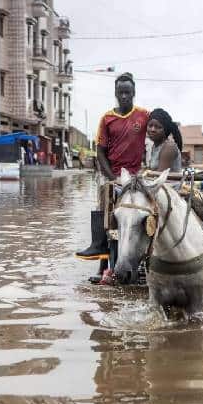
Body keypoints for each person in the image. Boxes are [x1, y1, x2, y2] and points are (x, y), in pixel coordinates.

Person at [76, 72, 150, 262]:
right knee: (105, 207)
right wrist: (111, 177)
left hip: (134, 177)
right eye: (120, 92)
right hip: (111, 174)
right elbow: (100, 151)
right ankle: (99, 249)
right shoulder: (107, 118)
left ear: (133, 93)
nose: (124, 96)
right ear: (116, 93)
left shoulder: (144, 116)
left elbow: (159, 128)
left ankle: (137, 255)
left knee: (134, 215)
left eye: (127, 92)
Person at [146, 108, 183, 172]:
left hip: (167, 182)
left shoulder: (169, 147)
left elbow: (160, 178)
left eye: (158, 127)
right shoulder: (154, 146)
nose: (153, 129)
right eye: (150, 125)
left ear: (166, 130)